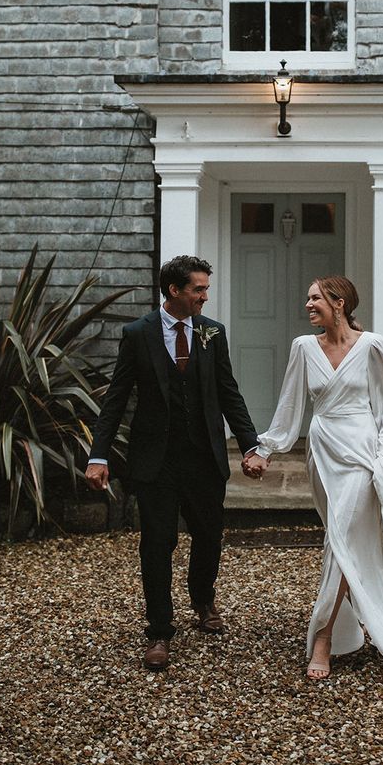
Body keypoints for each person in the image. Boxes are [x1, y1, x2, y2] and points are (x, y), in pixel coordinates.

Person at [243, 276, 383, 680]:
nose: (307, 305)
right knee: (341, 536)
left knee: (343, 535)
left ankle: (324, 639)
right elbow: (289, 406)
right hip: (324, 451)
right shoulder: (304, 348)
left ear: (339, 303)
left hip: (364, 452)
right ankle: (359, 626)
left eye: (314, 298)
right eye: (307, 298)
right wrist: (266, 448)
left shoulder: (373, 346)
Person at [85, 256, 261, 672]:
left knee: (208, 536)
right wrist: (98, 454)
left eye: (205, 289)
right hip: (155, 461)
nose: (205, 296)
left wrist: (251, 446)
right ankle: (160, 631)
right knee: (157, 542)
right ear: (174, 291)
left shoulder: (211, 333)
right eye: (199, 289)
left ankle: (202, 599)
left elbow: (228, 392)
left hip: (204, 458)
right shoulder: (138, 334)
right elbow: (116, 398)